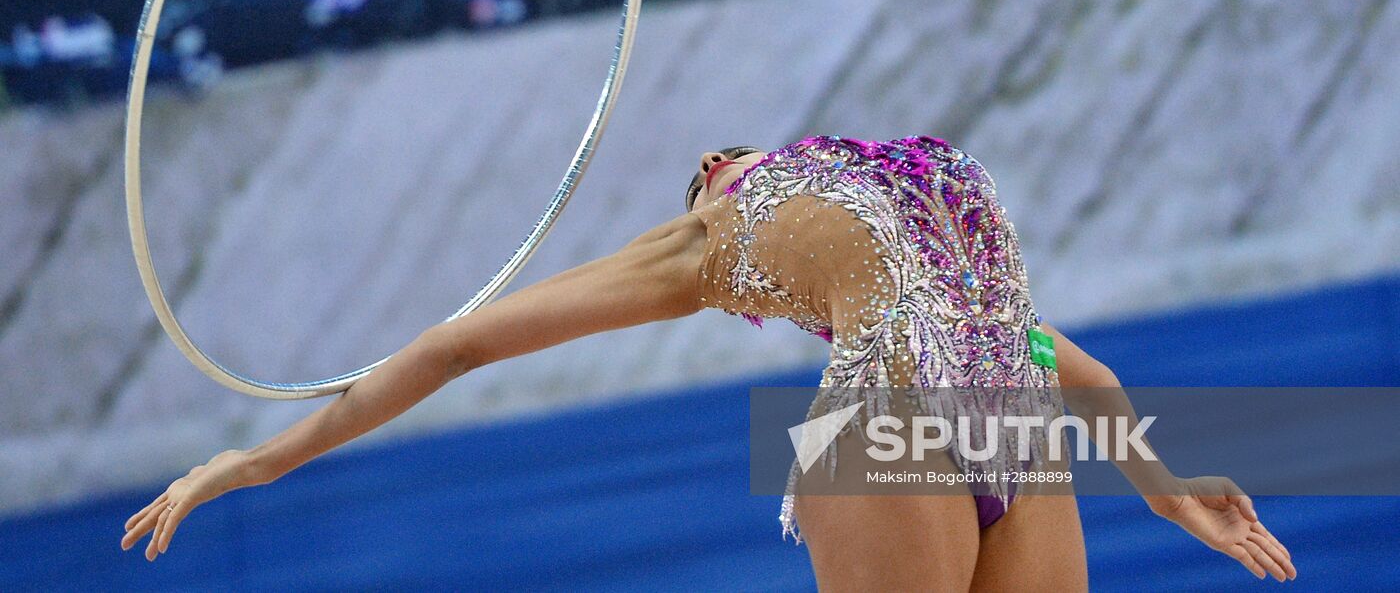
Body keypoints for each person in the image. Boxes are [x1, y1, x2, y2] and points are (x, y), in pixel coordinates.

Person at [121, 134, 1296, 589]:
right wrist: (265, 459)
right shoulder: (720, 234)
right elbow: (452, 345)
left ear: (713, 164)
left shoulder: (780, 201)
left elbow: (1063, 367)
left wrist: (1166, 483)